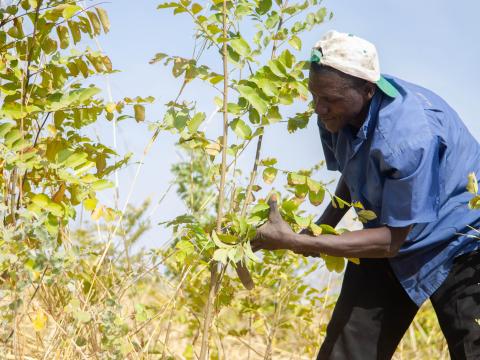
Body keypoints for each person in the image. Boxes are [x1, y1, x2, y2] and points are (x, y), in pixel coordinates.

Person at [251, 30, 480, 359]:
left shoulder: (408, 139)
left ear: (368, 90)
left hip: (462, 238)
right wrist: (320, 228)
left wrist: (298, 243)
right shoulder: (335, 110)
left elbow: (391, 242)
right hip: (390, 231)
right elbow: (354, 168)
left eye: (329, 99)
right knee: (345, 351)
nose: (319, 108)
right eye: (315, 96)